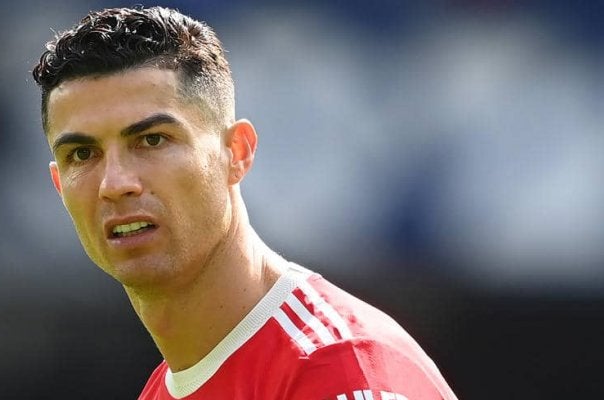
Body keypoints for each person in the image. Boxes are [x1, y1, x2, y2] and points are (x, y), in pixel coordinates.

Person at [32, 6, 457, 400]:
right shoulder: (167, 388)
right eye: (82, 154)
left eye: (152, 140)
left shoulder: (341, 371)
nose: (115, 183)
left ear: (237, 152)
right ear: (59, 185)